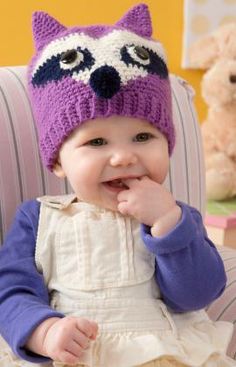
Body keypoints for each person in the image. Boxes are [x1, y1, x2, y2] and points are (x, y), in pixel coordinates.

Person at [0, 3, 235, 367]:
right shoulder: (37, 218)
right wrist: (43, 331)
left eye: (143, 136)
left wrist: (167, 226)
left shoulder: (176, 216)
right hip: (70, 354)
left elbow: (198, 294)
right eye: (97, 143)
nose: (123, 157)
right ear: (59, 161)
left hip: (162, 355)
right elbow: (10, 291)